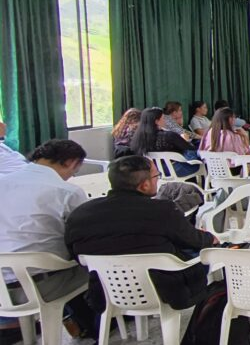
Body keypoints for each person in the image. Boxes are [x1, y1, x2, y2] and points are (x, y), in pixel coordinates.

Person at [65, 156, 218, 313]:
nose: (157, 181)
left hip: (107, 292)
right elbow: (192, 240)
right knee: (204, 251)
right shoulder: (162, 210)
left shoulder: (79, 215)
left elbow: (76, 255)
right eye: (156, 176)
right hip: (165, 291)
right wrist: (211, 238)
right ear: (144, 185)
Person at [0, 140, 95, 338]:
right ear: (70, 162)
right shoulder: (67, 192)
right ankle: (97, 325)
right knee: (96, 266)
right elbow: (85, 234)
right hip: (40, 286)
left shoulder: (4, 182)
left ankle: (79, 323)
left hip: (3, 284)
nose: (72, 176)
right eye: (74, 171)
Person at [131, 107, 201, 177]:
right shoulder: (169, 135)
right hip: (176, 170)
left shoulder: (139, 138)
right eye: (163, 118)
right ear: (157, 121)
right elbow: (191, 149)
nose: (165, 121)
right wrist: (186, 140)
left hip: (154, 172)